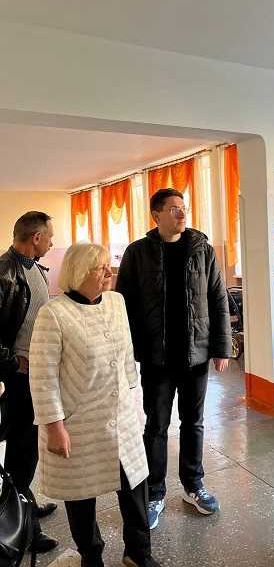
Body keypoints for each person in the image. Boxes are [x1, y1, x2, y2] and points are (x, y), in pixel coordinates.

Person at [29, 243, 161, 567]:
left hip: (122, 418)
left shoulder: (116, 302)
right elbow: (42, 377)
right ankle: (91, 557)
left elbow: (127, 359)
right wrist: (54, 428)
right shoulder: (54, 313)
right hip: (79, 424)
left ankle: (138, 553)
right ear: (78, 273)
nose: (108, 272)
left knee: (135, 487)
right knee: (81, 497)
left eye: (107, 265)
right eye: (99, 268)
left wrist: (135, 403)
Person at [116, 188, 231, 530]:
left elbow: (218, 298)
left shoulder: (202, 249)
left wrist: (222, 347)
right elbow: (123, 304)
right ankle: (154, 492)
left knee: (194, 422)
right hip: (157, 357)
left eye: (184, 208)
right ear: (156, 215)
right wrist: (126, 352)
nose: (182, 213)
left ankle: (194, 486)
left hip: (196, 354)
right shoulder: (138, 253)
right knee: (156, 426)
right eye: (174, 209)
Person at [0, 211, 58, 554]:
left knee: (28, 449)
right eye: (49, 236)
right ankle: (25, 530)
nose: (52, 241)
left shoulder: (34, 268)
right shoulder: (4, 273)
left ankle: (24, 504)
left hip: (37, 372)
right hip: (21, 377)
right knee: (22, 454)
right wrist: (14, 362)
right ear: (36, 237)